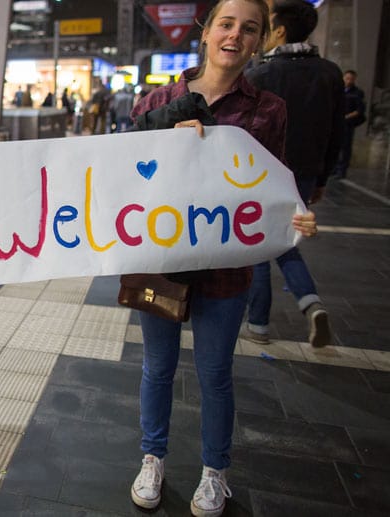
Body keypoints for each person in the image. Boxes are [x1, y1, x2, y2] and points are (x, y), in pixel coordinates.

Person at [126, 1, 318, 516]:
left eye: (249, 29)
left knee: (214, 373)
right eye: (226, 24)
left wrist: (295, 216)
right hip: (160, 259)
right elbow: (122, 169)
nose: (235, 36)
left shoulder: (268, 109)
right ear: (205, 31)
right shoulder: (159, 99)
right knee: (157, 367)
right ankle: (153, 457)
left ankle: (215, 471)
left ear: (260, 41)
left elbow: (275, 183)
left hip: (228, 267)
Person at [243, 0, 342, 348]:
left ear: (280, 31)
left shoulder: (262, 74)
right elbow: (336, 133)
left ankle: (257, 324)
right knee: (286, 239)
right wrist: (322, 179)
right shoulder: (330, 73)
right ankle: (310, 302)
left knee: (257, 242)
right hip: (305, 172)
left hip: (263, 172)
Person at [334, 69, 366, 177]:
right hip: (337, 123)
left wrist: (346, 117)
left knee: (345, 147)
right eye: (347, 78)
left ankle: (341, 170)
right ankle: (333, 169)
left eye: (351, 79)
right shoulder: (338, 90)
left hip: (348, 124)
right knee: (335, 146)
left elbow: (359, 110)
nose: (348, 81)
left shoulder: (357, 93)